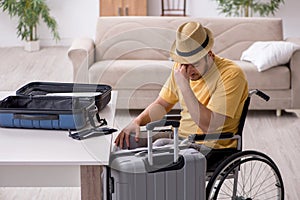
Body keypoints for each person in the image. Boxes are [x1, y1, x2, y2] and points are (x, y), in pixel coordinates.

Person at [114, 21, 248, 150]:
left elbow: (211, 127)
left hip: (210, 145)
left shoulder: (231, 75)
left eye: (194, 63)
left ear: (210, 55)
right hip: (180, 137)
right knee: (126, 142)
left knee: (158, 148)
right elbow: (161, 104)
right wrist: (137, 121)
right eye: (183, 63)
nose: (188, 71)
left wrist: (184, 85)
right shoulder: (180, 69)